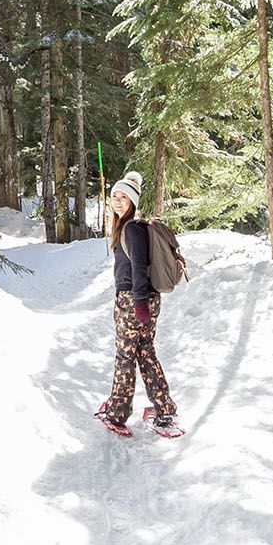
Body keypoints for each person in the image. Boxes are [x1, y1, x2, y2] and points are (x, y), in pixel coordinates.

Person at [95, 168, 181, 436]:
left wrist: (139, 302)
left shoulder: (131, 228)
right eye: (114, 195)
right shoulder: (133, 226)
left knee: (125, 356)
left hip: (133, 299)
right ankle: (164, 410)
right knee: (145, 353)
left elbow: (139, 267)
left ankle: (117, 414)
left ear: (133, 199)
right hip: (144, 299)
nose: (118, 200)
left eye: (123, 196)